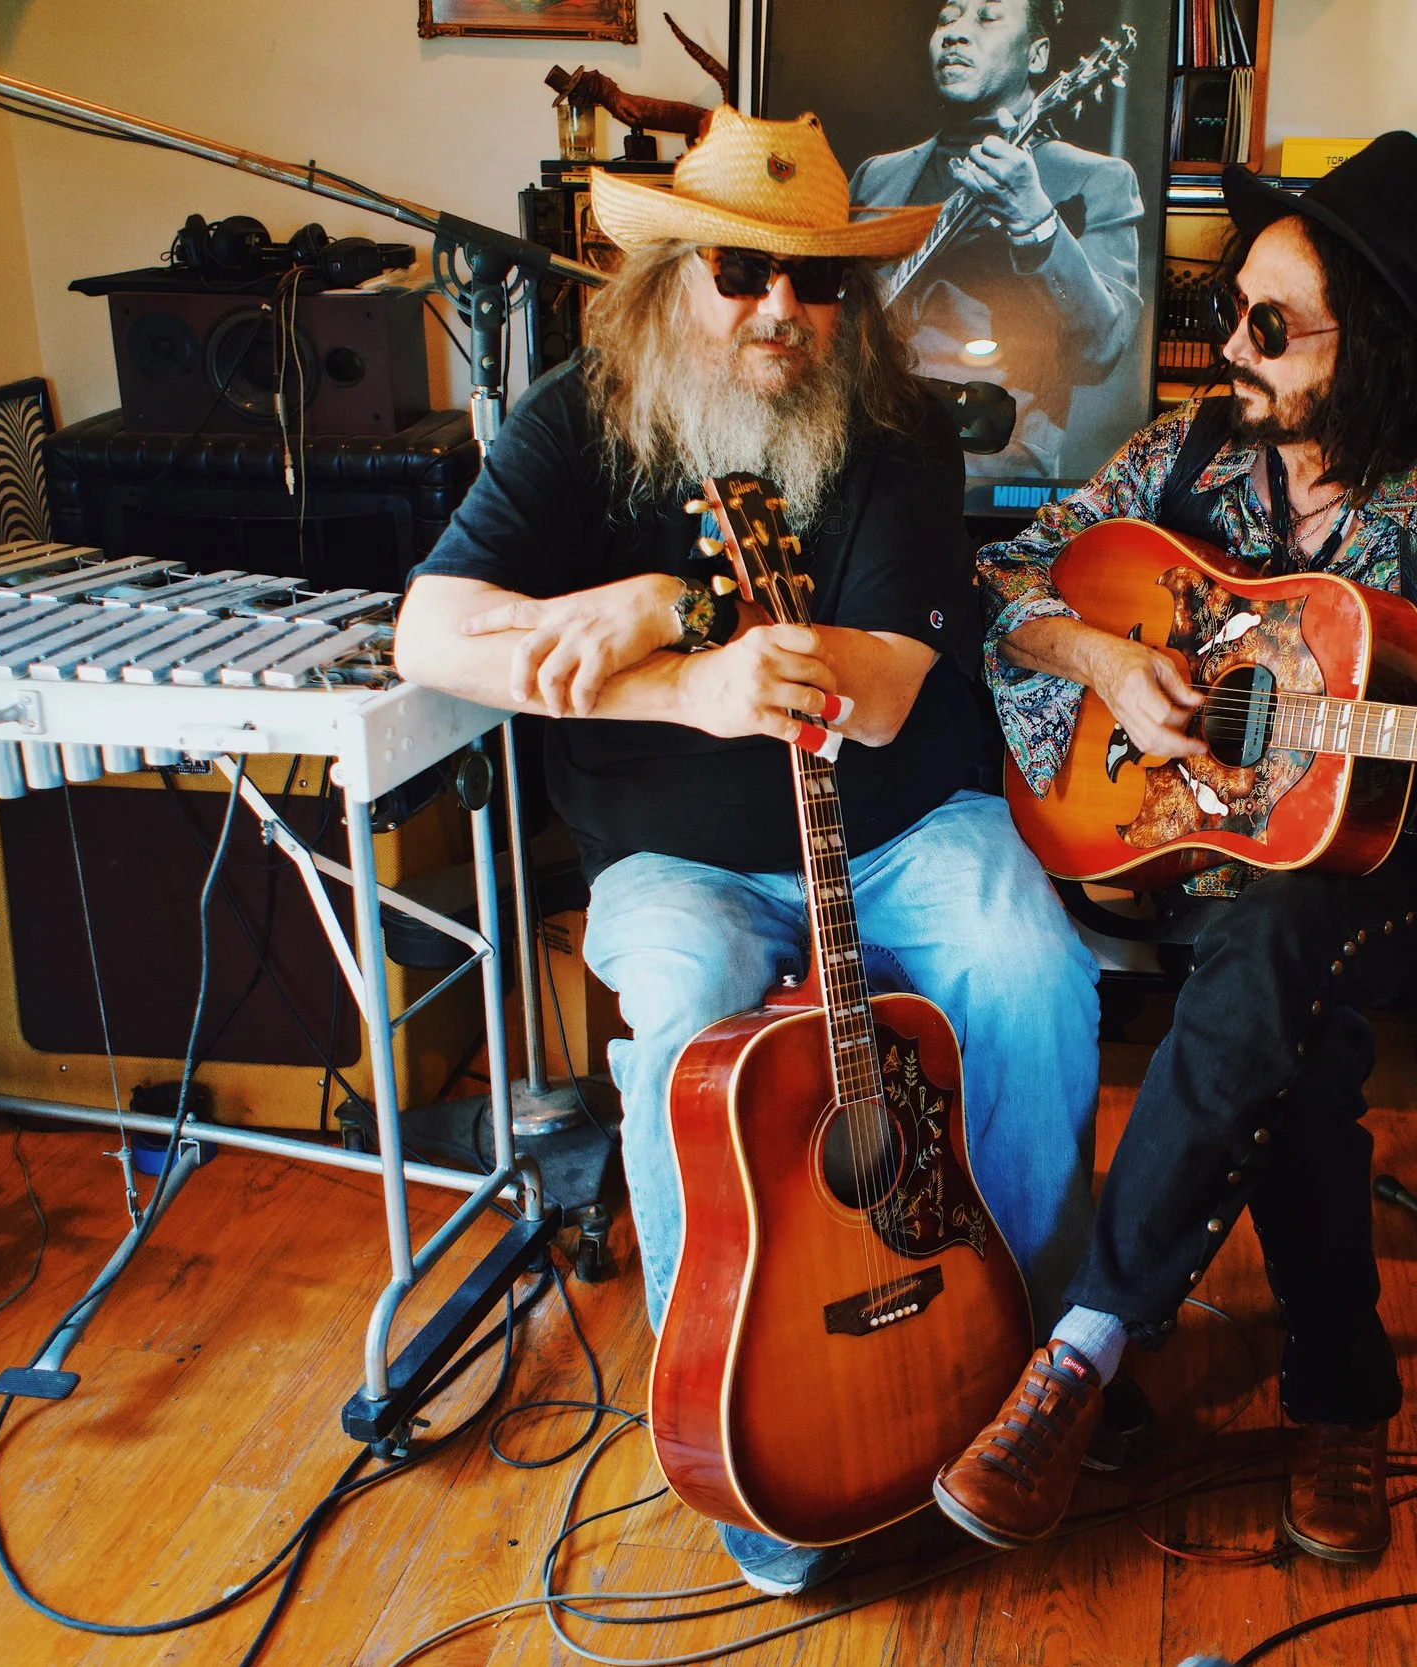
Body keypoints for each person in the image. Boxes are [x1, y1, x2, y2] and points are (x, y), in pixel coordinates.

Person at [931, 133, 1417, 1563]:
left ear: (1377, 346)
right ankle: (1342, 1398)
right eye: (1233, 309)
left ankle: (1082, 1349)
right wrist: (1105, 658)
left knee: (1282, 948)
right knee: (1302, 1058)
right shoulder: (1185, 453)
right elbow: (1008, 577)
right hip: (1191, 842)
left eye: (1271, 328)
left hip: (1392, 869)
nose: (1232, 345)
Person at [391, 107, 1101, 1597]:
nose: (783, 307)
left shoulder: (896, 425)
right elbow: (433, 633)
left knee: (1033, 975)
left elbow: (883, 683)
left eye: (816, 279)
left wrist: (677, 616)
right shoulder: (578, 420)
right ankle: (733, 1415)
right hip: (676, 854)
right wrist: (676, 673)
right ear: (669, 278)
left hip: (902, 825)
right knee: (684, 1028)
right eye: (741, 269)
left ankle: (1023, 1377)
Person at [849, 0, 1146, 483]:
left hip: (990, 479)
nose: (955, 33)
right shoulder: (876, 176)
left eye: (987, 18)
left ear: (1037, 55)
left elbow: (1101, 352)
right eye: (948, 17)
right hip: (861, 467)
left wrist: (1036, 223)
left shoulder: (1094, 179)